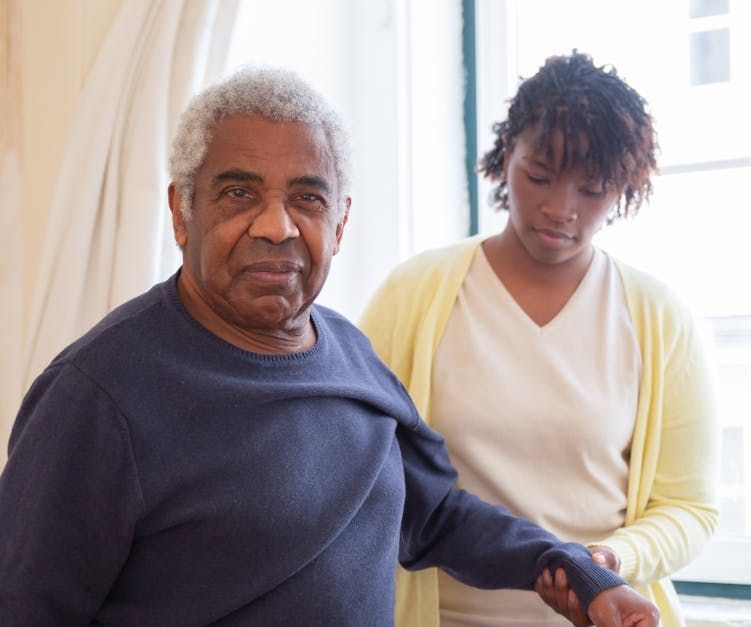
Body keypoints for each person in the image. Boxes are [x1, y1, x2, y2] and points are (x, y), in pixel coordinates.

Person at [0, 67, 660, 627]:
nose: (277, 226)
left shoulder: (351, 354)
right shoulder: (98, 396)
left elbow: (433, 514)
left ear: (339, 224)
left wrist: (574, 566)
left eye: (308, 198)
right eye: (238, 193)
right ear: (181, 212)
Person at [360, 51, 720, 627]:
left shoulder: (656, 316)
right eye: (539, 176)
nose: (560, 209)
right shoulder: (414, 294)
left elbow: (690, 507)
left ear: (625, 187)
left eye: (592, 188)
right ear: (507, 157)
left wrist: (606, 561)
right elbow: (358, 462)